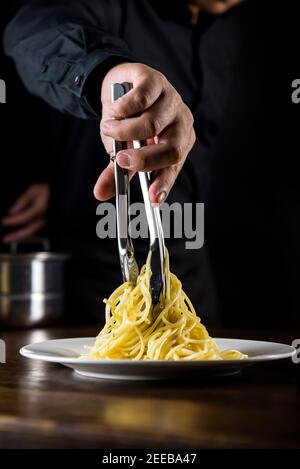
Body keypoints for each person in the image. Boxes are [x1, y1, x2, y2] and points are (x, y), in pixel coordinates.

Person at [4, 0, 262, 327]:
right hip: (89, 292)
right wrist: (105, 72)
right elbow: (34, 29)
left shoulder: (232, 31)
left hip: (196, 289)